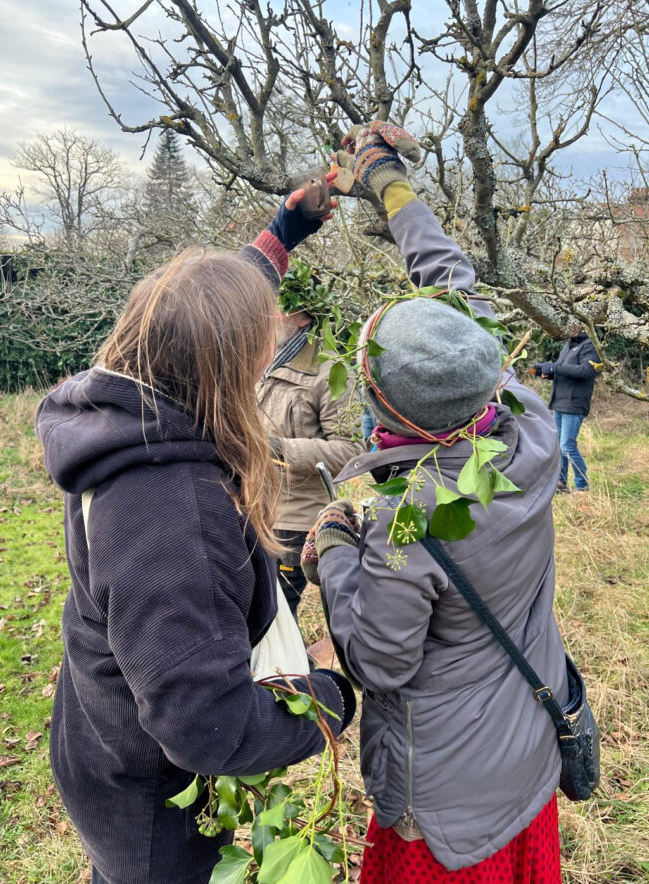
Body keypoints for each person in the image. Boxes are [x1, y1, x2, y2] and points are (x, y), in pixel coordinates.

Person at [35, 185, 356, 884]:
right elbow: (205, 727)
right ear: (221, 368)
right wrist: (330, 701)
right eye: (255, 350)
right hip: (152, 801)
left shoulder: (120, 412)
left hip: (102, 735)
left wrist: (283, 233)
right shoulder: (175, 515)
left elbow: (201, 310)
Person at [303, 121, 568, 883]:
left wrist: (336, 549)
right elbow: (448, 277)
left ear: (391, 413)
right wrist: (385, 177)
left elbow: (380, 661)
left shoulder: (408, 521)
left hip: (447, 812)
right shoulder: (523, 416)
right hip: (521, 758)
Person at [257, 262, 363, 618]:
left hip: (295, 519)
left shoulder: (331, 369)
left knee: (276, 619)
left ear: (302, 317)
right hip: (250, 511)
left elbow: (352, 450)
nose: (267, 313)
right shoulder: (258, 359)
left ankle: (290, 674)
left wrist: (279, 450)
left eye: (276, 305)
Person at [532, 326, 600, 492]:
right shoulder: (568, 345)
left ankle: (582, 485)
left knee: (567, 446)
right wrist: (546, 371)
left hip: (575, 403)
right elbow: (563, 371)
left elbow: (588, 371)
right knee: (558, 446)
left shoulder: (590, 345)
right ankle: (561, 483)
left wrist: (556, 368)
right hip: (559, 402)